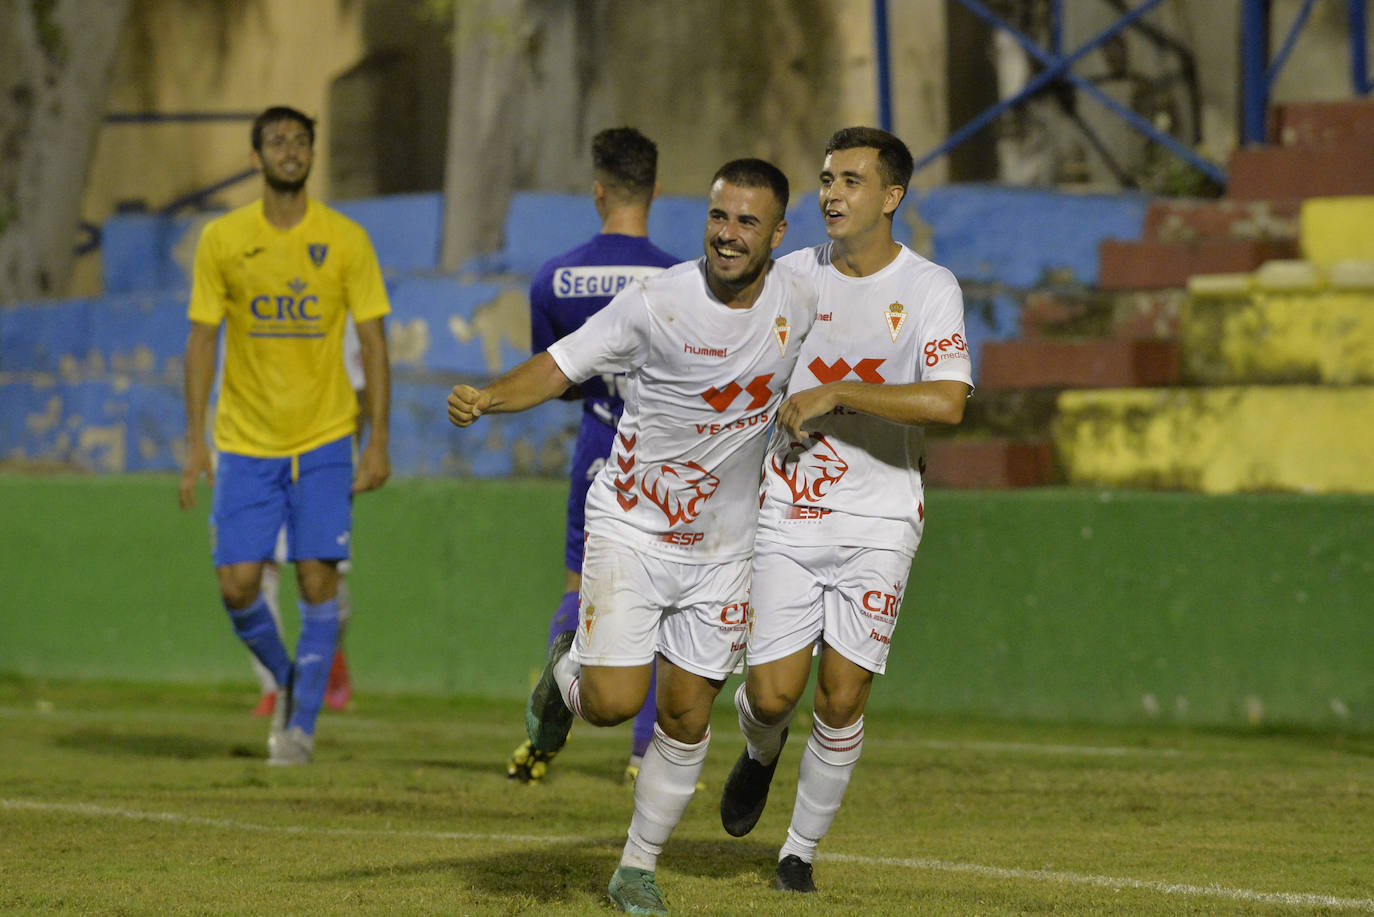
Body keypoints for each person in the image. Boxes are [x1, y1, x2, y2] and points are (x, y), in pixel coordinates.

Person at [448, 158, 816, 915]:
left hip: (722, 550)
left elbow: (874, 283)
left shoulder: (803, 295)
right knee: (615, 703)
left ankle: (635, 869)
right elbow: (559, 365)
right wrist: (487, 396)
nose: (728, 233)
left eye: (748, 221)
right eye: (719, 216)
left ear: (778, 233)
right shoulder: (654, 301)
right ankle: (565, 677)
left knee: (684, 715)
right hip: (633, 524)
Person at [717, 126, 973, 893]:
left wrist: (839, 392)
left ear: (891, 197)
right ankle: (761, 750)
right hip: (790, 511)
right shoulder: (792, 276)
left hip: (881, 518)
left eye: (852, 180)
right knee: (770, 693)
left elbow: (949, 401)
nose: (831, 192)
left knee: (844, 692)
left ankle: (798, 850)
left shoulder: (930, 288)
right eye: (827, 178)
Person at [179, 105, 391, 766]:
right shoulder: (223, 239)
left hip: (325, 439)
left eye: (301, 141)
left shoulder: (346, 239)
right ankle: (295, 676)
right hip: (243, 441)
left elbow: (374, 342)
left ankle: (297, 728)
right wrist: (194, 439)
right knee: (237, 584)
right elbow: (201, 341)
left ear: (311, 154)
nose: (290, 150)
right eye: (277, 140)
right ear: (256, 156)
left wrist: (377, 438)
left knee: (316, 580)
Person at [507, 127, 680, 785]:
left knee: (580, 588)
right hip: (664, 456)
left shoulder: (556, 278)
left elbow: (557, 377)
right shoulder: (679, 280)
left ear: (598, 190)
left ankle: (551, 717)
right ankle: (642, 757)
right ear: (656, 189)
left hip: (595, 447)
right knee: (665, 597)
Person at [249, 318, 363, 717]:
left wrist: (352, 456)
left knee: (323, 575)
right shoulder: (253, 302)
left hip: (322, 455)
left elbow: (358, 390)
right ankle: (275, 683)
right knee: (257, 570)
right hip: (259, 452)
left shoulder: (335, 311)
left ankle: (332, 654)